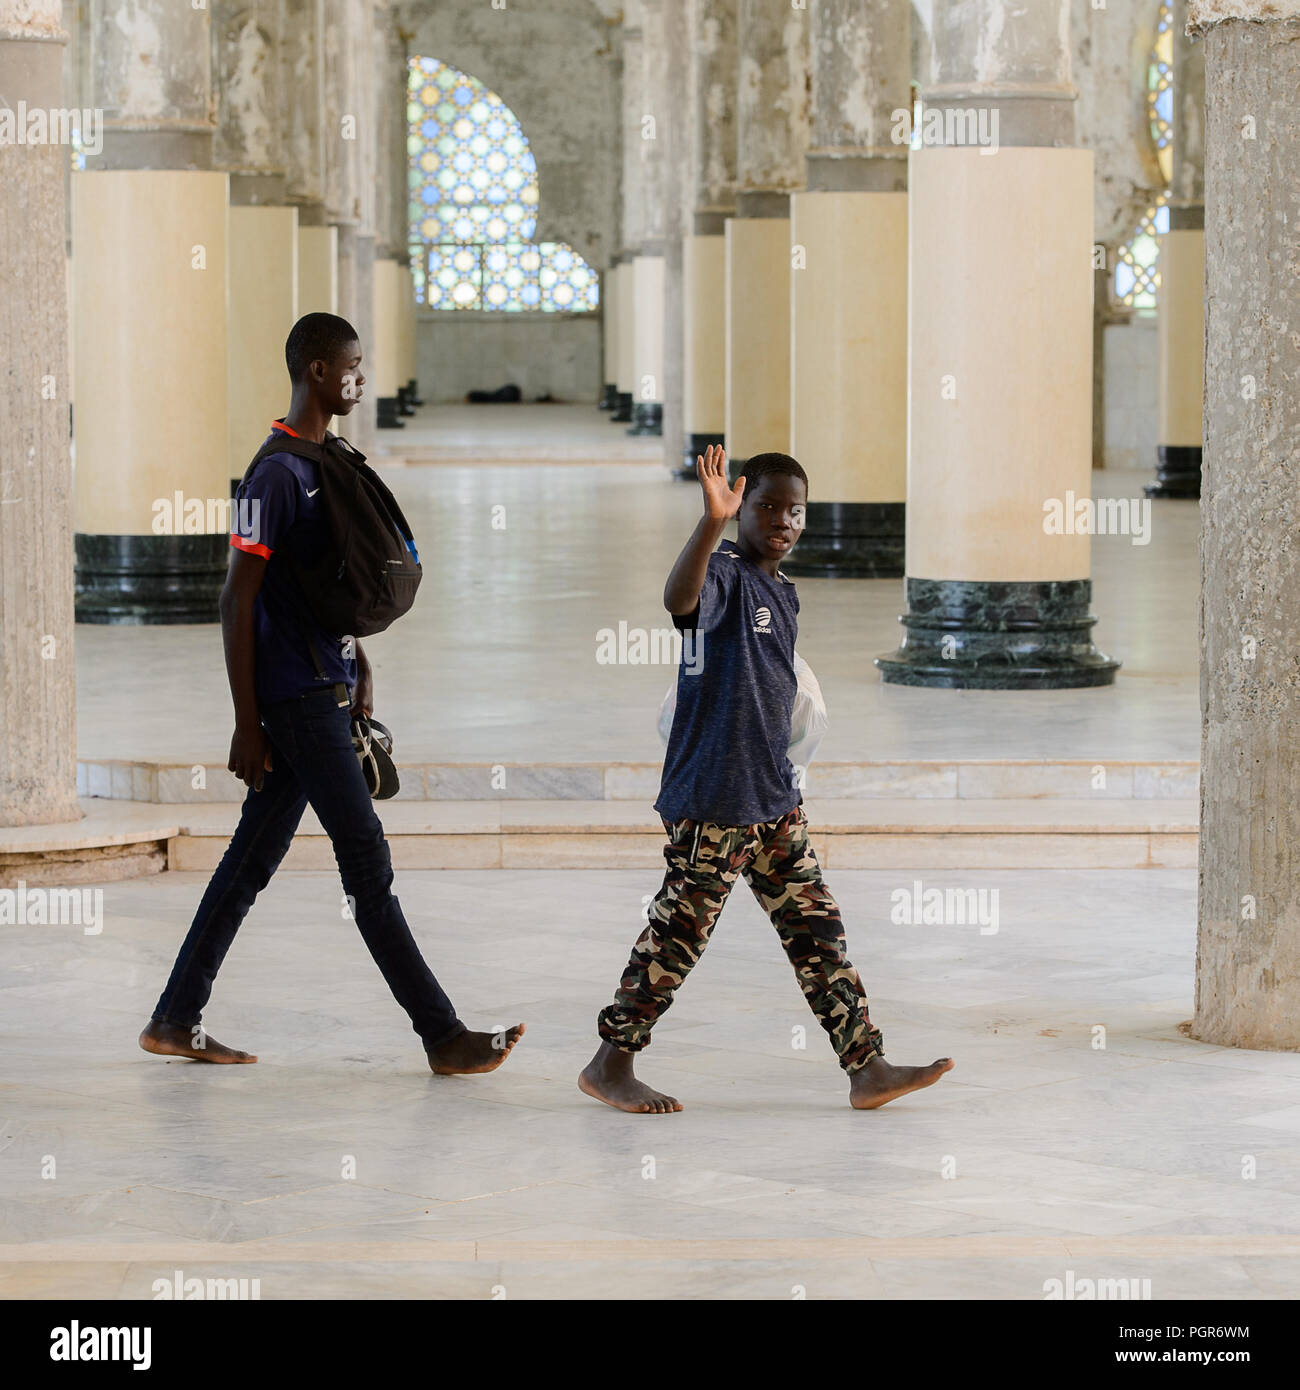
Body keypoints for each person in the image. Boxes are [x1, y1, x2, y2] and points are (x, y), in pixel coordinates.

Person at [139, 312, 524, 1075]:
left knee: (251, 859)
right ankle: (442, 1035)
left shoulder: (325, 457)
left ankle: (175, 1018)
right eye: (349, 363)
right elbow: (235, 598)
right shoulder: (274, 474)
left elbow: (320, 587)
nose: (359, 375)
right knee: (366, 862)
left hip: (324, 683)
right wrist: (246, 722)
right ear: (315, 369)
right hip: (294, 698)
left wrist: (359, 662)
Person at [579, 445, 952, 1113]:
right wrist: (710, 524)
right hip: (716, 802)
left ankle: (867, 1068)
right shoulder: (724, 575)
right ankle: (610, 1064)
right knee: (677, 938)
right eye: (766, 507)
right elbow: (679, 599)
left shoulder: (783, 590)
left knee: (819, 933)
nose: (782, 519)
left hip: (773, 799)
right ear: (741, 510)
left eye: (794, 510)